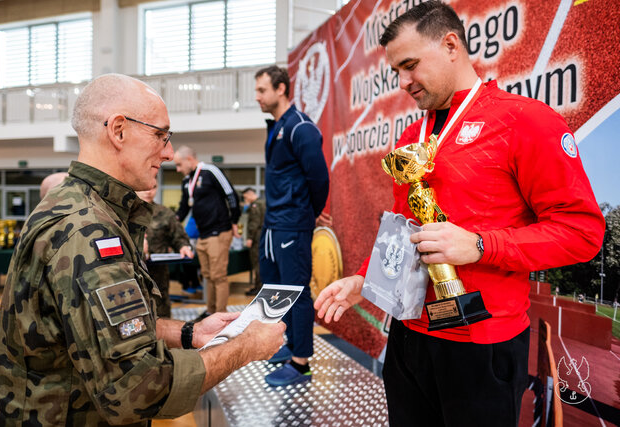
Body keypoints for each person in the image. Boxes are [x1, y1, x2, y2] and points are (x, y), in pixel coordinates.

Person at [314, 2, 605, 426]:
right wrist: (366, 279)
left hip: (480, 344)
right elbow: (403, 229)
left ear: (451, 44)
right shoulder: (414, 135)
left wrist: (482, 245)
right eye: (396, 70)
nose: (403, 82)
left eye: (410, 65)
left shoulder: (525, 121)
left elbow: (582, 233)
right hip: (409, 336)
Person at [0, 73, 286, 426]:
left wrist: (188, 333)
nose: (169, 153)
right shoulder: (88, 230)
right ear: (118, 131)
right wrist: (245, 347)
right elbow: (137, 387)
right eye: (161, 135)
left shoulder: (79, 206)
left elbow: (101, 332)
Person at [254, 65, 330, 386]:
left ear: (282, 89)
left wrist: (306, 215)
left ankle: (301, 363)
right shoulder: (277, 127)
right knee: (274, 289)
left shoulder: (301, 128)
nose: (256, 96)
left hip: (292, 225)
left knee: (297, 293)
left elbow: (319, 179)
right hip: (272, 225)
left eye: (262, 90)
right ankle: (287, 345)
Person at [174, 146, 241, 319]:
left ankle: (221, 314)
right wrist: (171, 223)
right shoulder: (186, 181)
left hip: (219, 232)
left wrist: (234, 221)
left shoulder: (211, 171)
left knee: (218, 276)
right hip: (202, 235)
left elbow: (231, 194)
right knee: (208, 276)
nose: (177, 169)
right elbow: (183, 208)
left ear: (189, 159)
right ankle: (211, 311)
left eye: (179, 164)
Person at [137, 185, 194, 318]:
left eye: (153, 188)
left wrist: (183, 246)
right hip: (133, 271)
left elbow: (179, 237)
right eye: (144, 188)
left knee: (161, 310)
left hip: (158, 272)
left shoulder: (165, 213)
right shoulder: (125, 211)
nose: (148, 191)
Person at [242, 187, 265, 296]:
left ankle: (258, 287)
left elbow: (254, 223)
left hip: (257, 237)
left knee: (257, 262)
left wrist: (250, 237)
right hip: (263, 236)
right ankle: (259, 286)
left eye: (245, 197)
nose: (245, 200)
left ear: (250, 194)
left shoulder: (255, 205)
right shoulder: (263, 201)